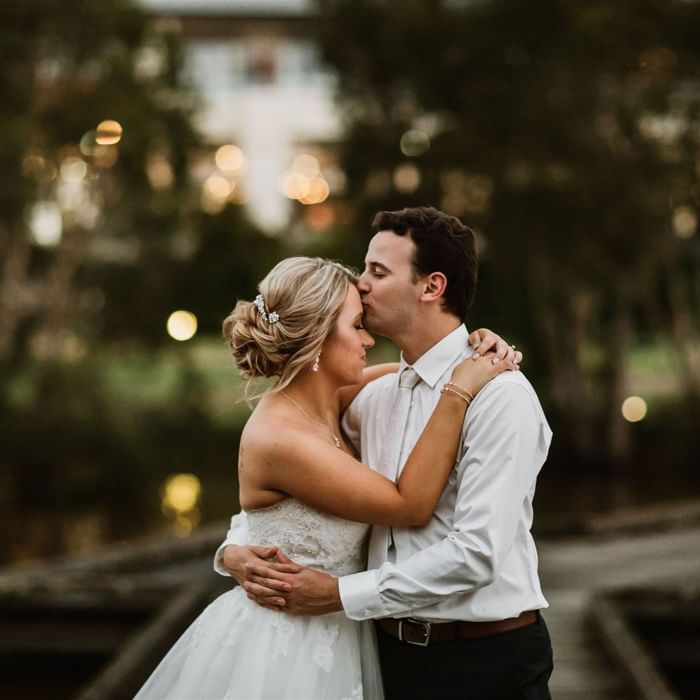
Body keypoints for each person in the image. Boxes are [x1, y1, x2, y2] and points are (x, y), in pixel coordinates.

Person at [134, 255, 518, 700]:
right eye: (357, 325)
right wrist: (458, 393)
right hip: (286, 650)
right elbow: (409, 505)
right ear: (316, 338)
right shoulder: (281, 437)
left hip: (343, 635)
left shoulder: (331, 398)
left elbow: (419, 373)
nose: (368, 339)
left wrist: (474, 348)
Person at [222, 207, 553, 700]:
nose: (361, 283)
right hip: (385, 659)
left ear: (431, 287)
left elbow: (477, 553)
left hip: (485, 662)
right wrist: (232, 551)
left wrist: (339, 594)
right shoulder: (370, 399)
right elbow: (293, 488)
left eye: (378, 271)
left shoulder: (498, 396)